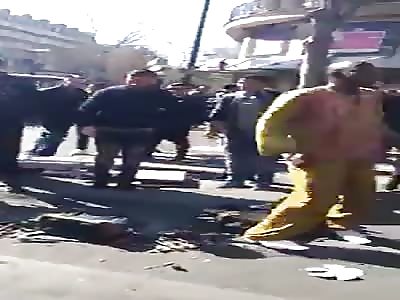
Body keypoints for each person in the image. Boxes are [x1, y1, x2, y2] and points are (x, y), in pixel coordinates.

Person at [243, 67, 384, 242]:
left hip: (358, 156)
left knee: (360, 195)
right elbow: (270, 126)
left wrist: (376, 147)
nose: (370, 75)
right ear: (339, 75)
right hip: (316, 156)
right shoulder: (304, 97)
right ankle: (265, 234)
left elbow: (375, 123)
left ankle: (338, 224)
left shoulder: (370, 98)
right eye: (361, 70)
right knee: (313, 199)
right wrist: (289, 149)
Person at [79, 70, 180, 189]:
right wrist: (86, 125)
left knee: (131, 159)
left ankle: (122, 182)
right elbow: (87, 109)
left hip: (139, 131)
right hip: (111, 130)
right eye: (132, 79)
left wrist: (160, 127)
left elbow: (174, 113)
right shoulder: (109, 93)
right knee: (108, 157)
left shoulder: (161, 96)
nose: (134, 82)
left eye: (140, 80)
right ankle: (103, 181)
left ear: (152, 81)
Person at [209, 74, 281, 189]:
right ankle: (235, 179)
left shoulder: (273, 98)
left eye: (250, 83)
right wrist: (223, 130)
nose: (245, 85)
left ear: (261, 85)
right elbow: (218, 115)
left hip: (264, 133)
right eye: (242, 83)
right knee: (235, 158)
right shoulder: (229, 98)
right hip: (237, 132)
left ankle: (263, 181)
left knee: (264, 158)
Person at [0, 68, 39, 191]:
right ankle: (10, 178)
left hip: (11, 122)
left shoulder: (16, 82)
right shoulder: (16, 82)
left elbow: (32, 96)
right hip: (12, 122)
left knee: (10, 152)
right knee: (10, 151)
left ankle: (10, 178)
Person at [29, 76, 88, 156]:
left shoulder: (82, 94)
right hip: (52, 118)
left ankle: (37, 150)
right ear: (66, 81)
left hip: (65, 120)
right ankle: (38, 151)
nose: (76, 85)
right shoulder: (51, 92)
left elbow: (84, 107)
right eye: (73, 82)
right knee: (52, 137)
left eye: (78, 82)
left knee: (53, 137)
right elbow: (38, 102)